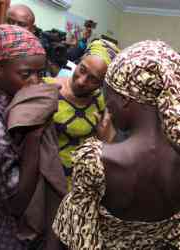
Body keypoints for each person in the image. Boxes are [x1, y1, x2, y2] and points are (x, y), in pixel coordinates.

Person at [53, 40, 180, 249]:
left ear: (125, 99)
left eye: (108, 94)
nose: (107, 105)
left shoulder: (95, 160)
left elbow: (72, 239)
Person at [0, 24, 63, 250]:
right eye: (26, 74)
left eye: (41, 73)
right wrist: (35, 136)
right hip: (7, 230)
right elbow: (16, 203)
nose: (36, 82)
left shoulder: (20, 102)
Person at [43, 39, 119, 191]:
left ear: (102, 83)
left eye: (93, 79)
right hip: (45, 178)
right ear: (78, 62)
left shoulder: (102, 102)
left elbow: (107, 144)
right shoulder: (48, 87)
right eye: (82, 69)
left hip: (79, 182)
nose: (82, 81)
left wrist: (104, 139)